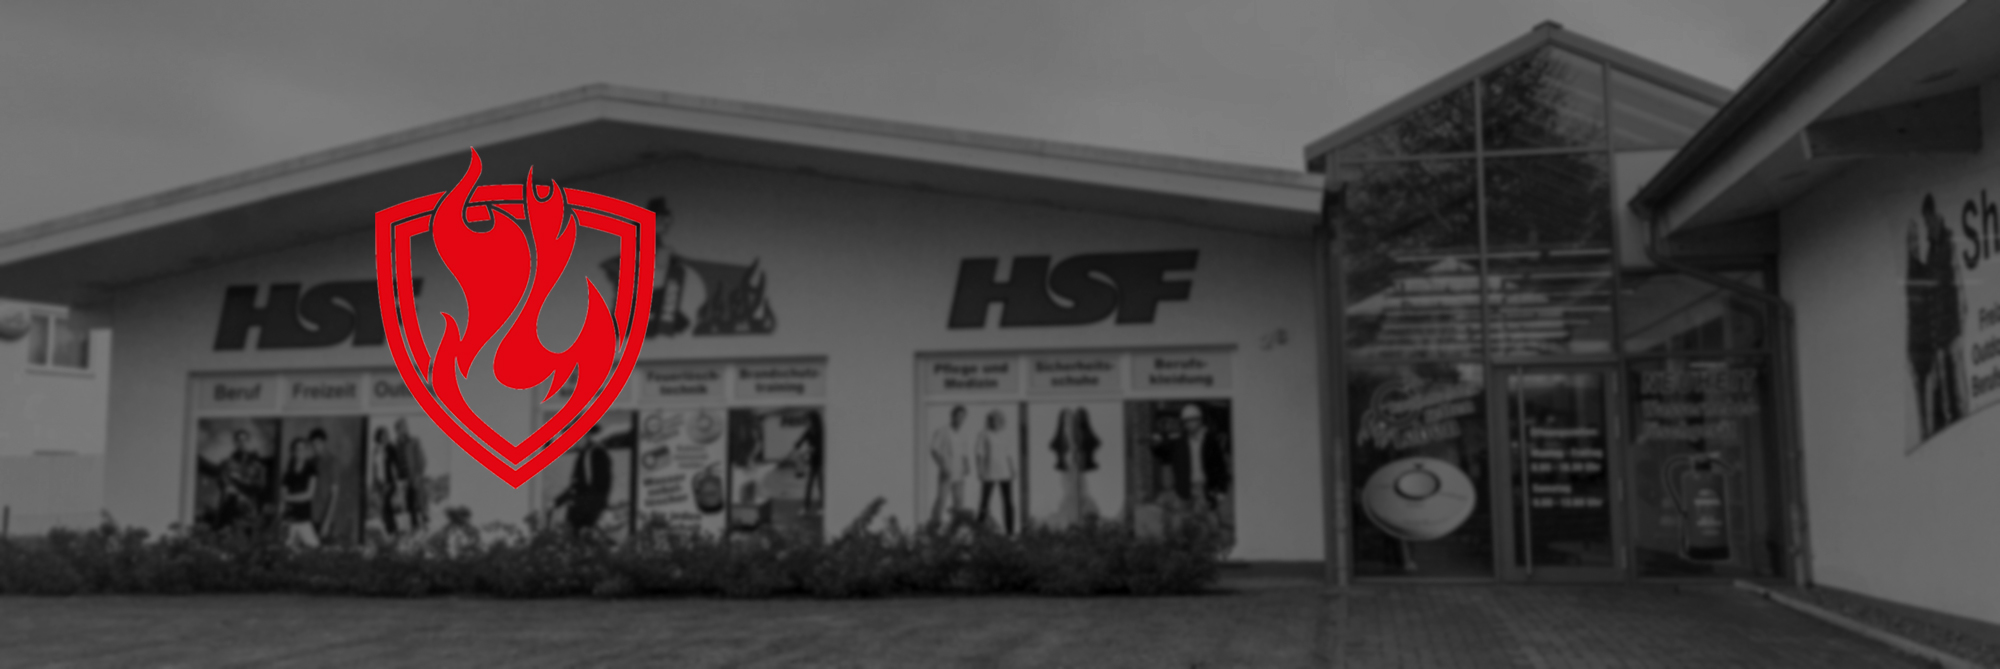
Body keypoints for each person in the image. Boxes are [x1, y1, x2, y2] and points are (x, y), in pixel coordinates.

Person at [1909, 194, 1967, 439]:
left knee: (1957, 392)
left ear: (1934, 217)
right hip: (1940, 338)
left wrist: (1957, 326)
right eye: (1924, 222)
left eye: (1928, 221)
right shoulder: (1932, 251)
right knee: (1945, 397)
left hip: (1951, 333)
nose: (1926, 226)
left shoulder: (1947, 244)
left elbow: (1955, 284)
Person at [1047, 407, 1102, 529]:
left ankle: (1079, 522)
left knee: (1079, 492)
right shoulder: (1063, 448)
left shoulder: (1082, 445)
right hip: (1069, 476)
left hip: (1077, 478)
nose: (1071, 427)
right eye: (1067, 423)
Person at [554, 426, 614, 534]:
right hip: (581, 515)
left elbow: (601, 489)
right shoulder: (583, 455)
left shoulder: (597, 454)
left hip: (587, 517)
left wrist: (587, 519)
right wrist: (557, 502)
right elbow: (576, 486)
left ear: (586, 435)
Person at [974, 409, 1017, 534]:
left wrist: (1013, 469)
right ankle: (978, 532)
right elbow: (979, 453)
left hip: (1005, 472)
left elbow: (1009, 454)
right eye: (992, 420)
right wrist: (980, 470)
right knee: (984, 502)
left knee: (1008, 502)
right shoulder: (983, 434)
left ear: (1002, 421)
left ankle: (1010, 533)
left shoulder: (1006, 434)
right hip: (989, 472)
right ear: (989, 421)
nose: (995, 422)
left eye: (998, 420)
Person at [928, 405, 971, 524]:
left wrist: (967, 465)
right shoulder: (943, 430)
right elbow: (934, 450)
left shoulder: (963, 433)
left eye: (963, 417)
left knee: (959, 502)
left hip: (959, 472)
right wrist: (942, 466)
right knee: (941, 499)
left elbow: (964, 452)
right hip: (947, 471)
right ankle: (935, 524)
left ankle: (956, 527)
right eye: (958, 416)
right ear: (952, 416)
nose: (960, 419)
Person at [281, 434, 322, 548]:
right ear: (293, 452)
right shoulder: (288, 473)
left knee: (314, 547)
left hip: (303, 517)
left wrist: (288, 498)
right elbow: (283, 495)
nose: (300, 452)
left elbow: (308, 495)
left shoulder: (311, 470)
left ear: (306, 451)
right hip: (289, 518)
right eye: (297, 449)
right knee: (287, 549)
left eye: (303, 449)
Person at [394, 418, 430, 533]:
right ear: (397, 430)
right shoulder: (396, 445)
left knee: (420, 500)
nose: (404, 429)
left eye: (405, 426)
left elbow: (422, 459)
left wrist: (418, 475)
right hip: (403, 480)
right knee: (409, 504)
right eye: (401, 427)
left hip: (414, 477)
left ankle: (425, 524)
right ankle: (415, 526)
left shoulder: (414, 441)